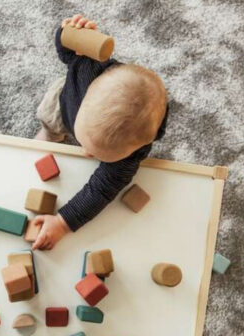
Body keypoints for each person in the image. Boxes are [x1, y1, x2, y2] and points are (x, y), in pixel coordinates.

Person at [32, 14, 168, 250]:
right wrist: (71, 33)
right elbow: (65, 51)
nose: (84, 152)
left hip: (80, 112)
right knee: (49, 120)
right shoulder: (87, 65)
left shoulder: (133, 152)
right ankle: (49, 136)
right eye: (86, 144)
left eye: (98, 154)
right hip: (65, 104)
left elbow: (102, 190)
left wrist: (63, 223)